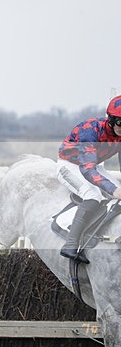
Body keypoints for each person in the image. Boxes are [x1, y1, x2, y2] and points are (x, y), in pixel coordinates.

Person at [56, 94, 121, 262]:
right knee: (93, 195)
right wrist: (114, 190)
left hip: (93, 165)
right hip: (70, 164)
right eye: (120, 122)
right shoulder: (90, 130)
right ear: (111, 119)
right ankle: (71, 244)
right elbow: (87, 169)